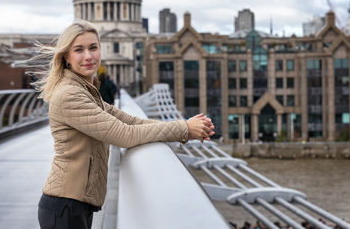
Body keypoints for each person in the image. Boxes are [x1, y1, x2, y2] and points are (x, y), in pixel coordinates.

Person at [32, 19, 215, 229]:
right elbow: (124, 135)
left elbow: (131, 120)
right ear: (66, 57)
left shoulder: (86, 90)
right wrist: (184, 129)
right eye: (79, 50)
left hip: (75, 204)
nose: (88, 56)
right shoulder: (70, 95)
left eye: (93, 47)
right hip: (64, 206)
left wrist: (185, 126)